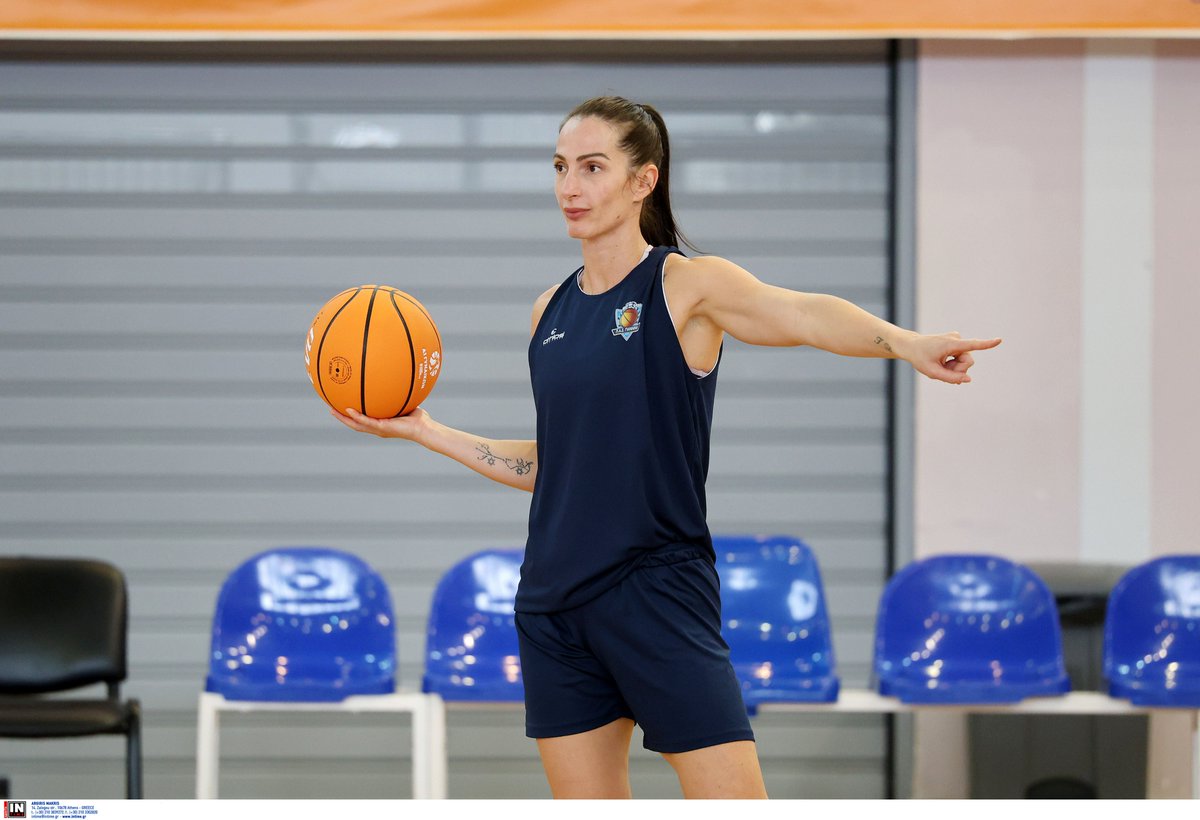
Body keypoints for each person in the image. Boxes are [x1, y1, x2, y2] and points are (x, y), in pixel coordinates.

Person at [332, 96, 1001, 799]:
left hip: (656, 590)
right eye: (560, 167)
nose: (570, 187)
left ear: (643, 180)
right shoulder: (548, 311)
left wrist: (906, 343)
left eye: (592, 168)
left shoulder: (686, 286)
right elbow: (561, 466)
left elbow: (803, 313)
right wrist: (428, 431)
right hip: (554, 604)